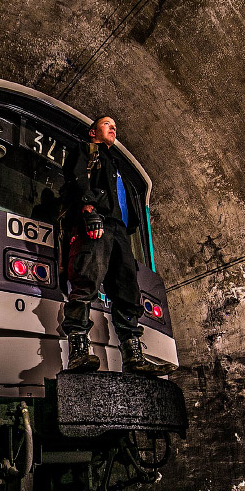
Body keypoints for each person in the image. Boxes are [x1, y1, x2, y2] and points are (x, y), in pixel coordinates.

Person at [60, 115, 168, 376]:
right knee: (86, 280)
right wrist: (88, 209)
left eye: (114, 125)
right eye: (106, 124)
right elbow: (76, 177)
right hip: (98, 221)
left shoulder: (116, 164)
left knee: (127, 292)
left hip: (119, 232)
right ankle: (78, 351)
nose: (113, 127)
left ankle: (133, 356)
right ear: (92, 132)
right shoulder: (85, 151)